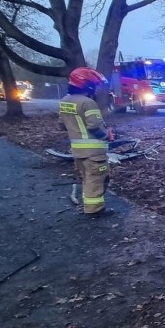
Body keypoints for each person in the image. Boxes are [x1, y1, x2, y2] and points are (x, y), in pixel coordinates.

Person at [58, 67, 113, 217]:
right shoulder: (88, 103)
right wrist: (106, 135)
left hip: (77, 151)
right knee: (96, 180)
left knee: (87, 179)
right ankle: (95, 210)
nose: (96, 88)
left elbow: (62, 124)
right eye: (94, 85)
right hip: (93, 152)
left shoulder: (64, 101)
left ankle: (89, 205)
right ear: (87, 85)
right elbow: (95, 126)